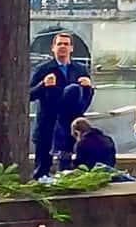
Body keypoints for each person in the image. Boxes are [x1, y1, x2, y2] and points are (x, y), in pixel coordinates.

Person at [29, 31, 94, 178]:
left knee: (69, 169)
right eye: (59, 44)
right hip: (47, 126)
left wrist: (89, 88)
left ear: (71, 48)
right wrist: (42, 85)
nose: (62, 47)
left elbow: (85, 101)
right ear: (53, 48)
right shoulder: (43, 69)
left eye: (66, 44)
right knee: (41, 168)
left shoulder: (80, 69)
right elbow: (29, 95)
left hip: (70, 128)